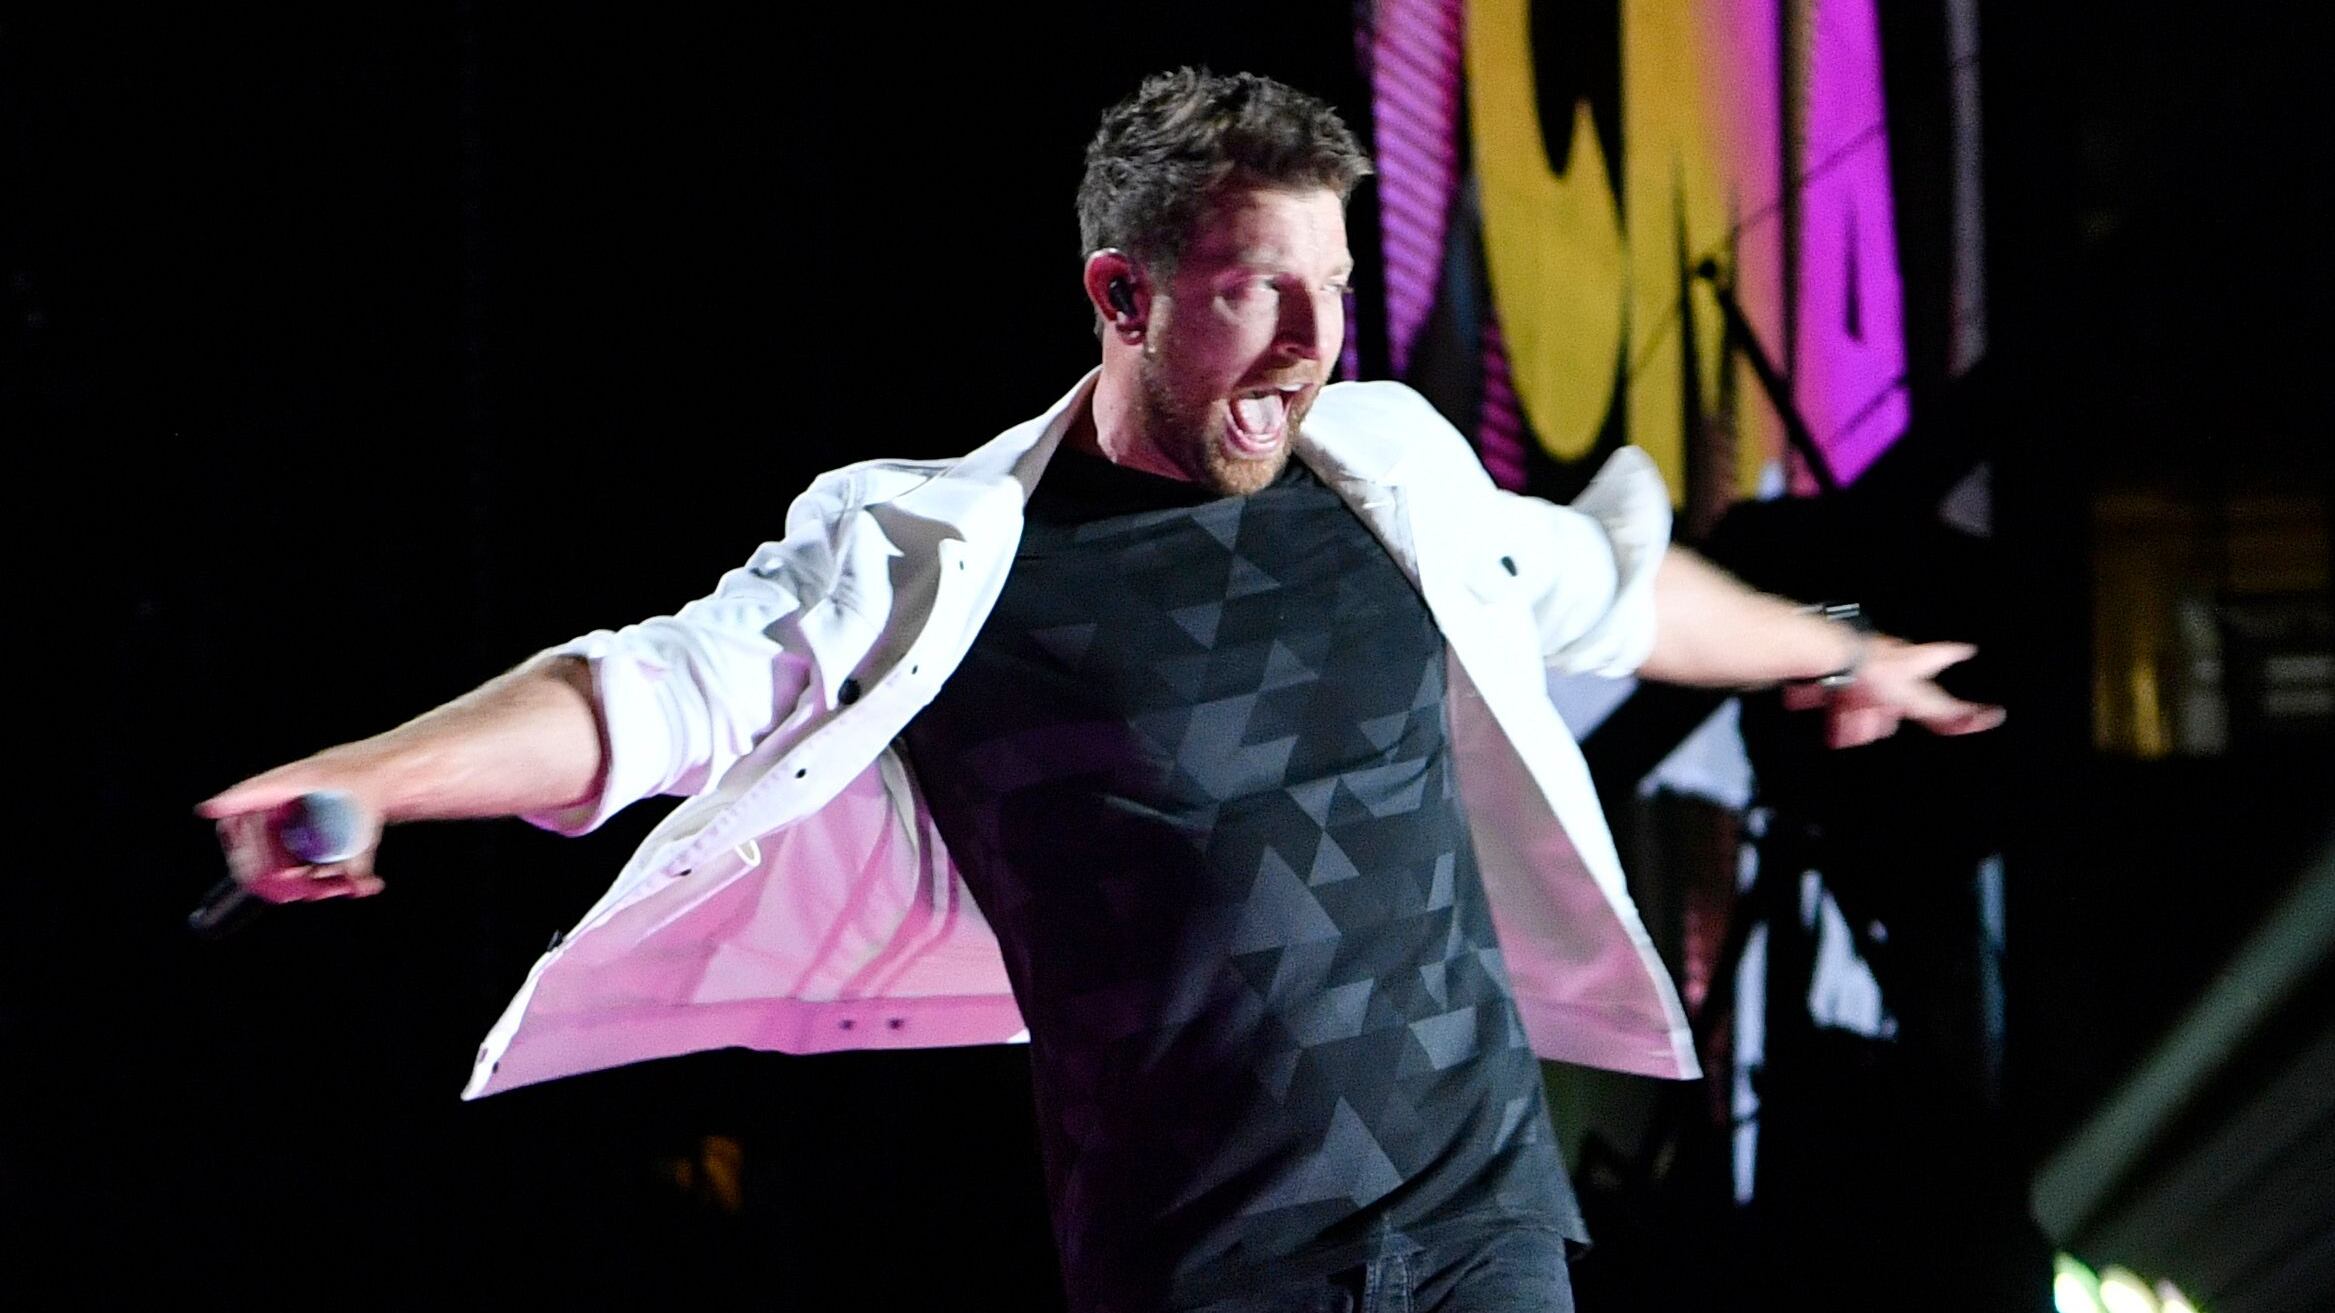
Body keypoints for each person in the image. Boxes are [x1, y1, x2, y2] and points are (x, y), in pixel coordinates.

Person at [202, 69, 2002, 1313]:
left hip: (1484, 1237)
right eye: (1257, 293)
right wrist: (371, 774)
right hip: (1206, 1271)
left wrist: (1847, 653)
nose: (1312, 346)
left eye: (1336, 289)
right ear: (1122, 295)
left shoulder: (1392, 470)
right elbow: (652, 695)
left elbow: (1611, 587)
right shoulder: (941, 551)